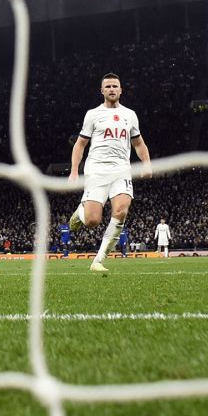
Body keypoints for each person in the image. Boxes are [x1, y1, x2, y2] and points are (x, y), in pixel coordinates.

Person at [67, 73, 153, 273]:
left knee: (121, 210)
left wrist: (147, 163)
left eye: (115, 86)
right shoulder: (93, 114)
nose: (112, 89)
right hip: (97, 169)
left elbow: (139, 143)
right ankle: (80, 213)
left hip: (121, 169)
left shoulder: (130, 115)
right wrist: (73, 171)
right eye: (108, 86)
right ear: (102, 91)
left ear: (121, 90)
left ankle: (98, 260)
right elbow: (80, 145)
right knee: (92, 220)